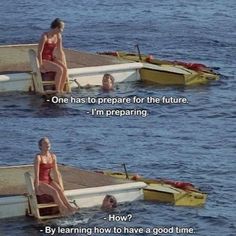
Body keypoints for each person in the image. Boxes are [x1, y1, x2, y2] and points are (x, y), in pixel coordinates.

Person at [34, 137, 78, 216]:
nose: (48, 144)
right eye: (45, 143)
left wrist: (60, 185)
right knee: (54, 192)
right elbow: (36, 174)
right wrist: (36, 188)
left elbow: (56, 172)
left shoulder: (53, 156)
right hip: (41, 181)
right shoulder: (38, 157)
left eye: (48, 143)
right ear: (40, 146)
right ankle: (63, 208)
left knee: (60, 190)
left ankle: (69, 207)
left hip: (49, 180)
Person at [38, 18, 68, 94]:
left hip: (51, 58)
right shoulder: (45, 36)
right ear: (57, 27)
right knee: (60, 69)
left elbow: (60, 51)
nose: (62, 30)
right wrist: (41, 66)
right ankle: (57, 91)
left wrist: (64, 63)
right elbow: (39, 52)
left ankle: (61, 90)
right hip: (44, 59)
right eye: (62, 28)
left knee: (64, 69)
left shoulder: (58, 36)